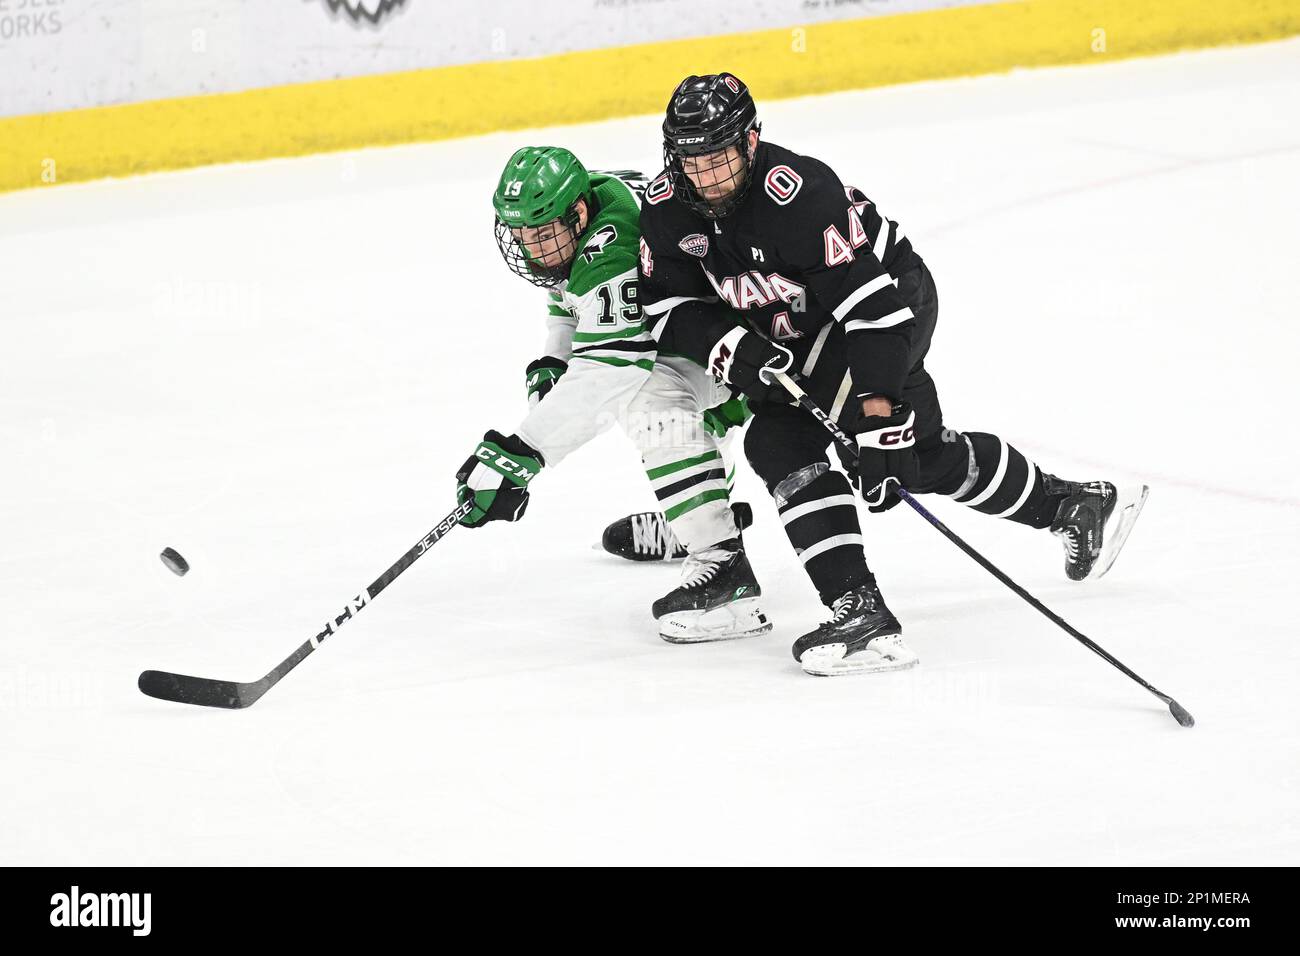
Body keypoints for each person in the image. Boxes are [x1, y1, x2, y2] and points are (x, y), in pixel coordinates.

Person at [636, 74, 1147, 676]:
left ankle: (1057, 511)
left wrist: (878, 413)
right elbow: (667, 305)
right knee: (809, 447)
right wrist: (732, 345)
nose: (708, 177)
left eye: (720, 159)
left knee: (885, 454)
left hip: (887, 303)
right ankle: (876, 604)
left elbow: (872, 310)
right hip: (797, 326)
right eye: (694, 161)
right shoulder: (669, 205)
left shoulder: (797, 194)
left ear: (751, 142)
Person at [454, 146, 771, 643]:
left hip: (759, 344)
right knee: (675, 407)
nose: (532, 249)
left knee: (649, 398)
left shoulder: (612, 242)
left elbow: (611, 367)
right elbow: (568, 292)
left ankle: (723, 568)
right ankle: (697, 519)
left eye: (541, 235)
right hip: (725, 330)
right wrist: (555, 359)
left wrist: (519, 456)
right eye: (522, 237)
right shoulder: (587, 202)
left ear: (577, 215)